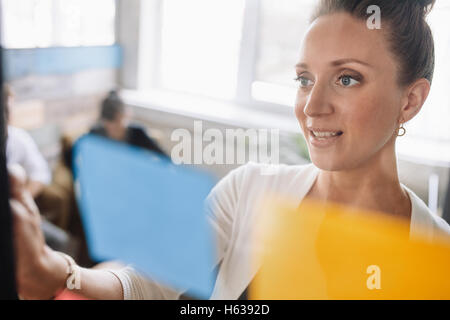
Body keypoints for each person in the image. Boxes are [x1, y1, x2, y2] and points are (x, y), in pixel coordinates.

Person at [10, 0, 450, 300]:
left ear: (410, 100)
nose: (313, 107)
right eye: (304, 79)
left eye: (347, 78)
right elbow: (147, 282)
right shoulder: (249, 190)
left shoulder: (438, 261)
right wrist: (63, 273)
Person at [90, 90, 168, 157]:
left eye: (118, 123)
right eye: (109, 124)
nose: (114, 128)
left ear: (125, 116)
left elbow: (163, 156)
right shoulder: (95, 134)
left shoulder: (138, 134)